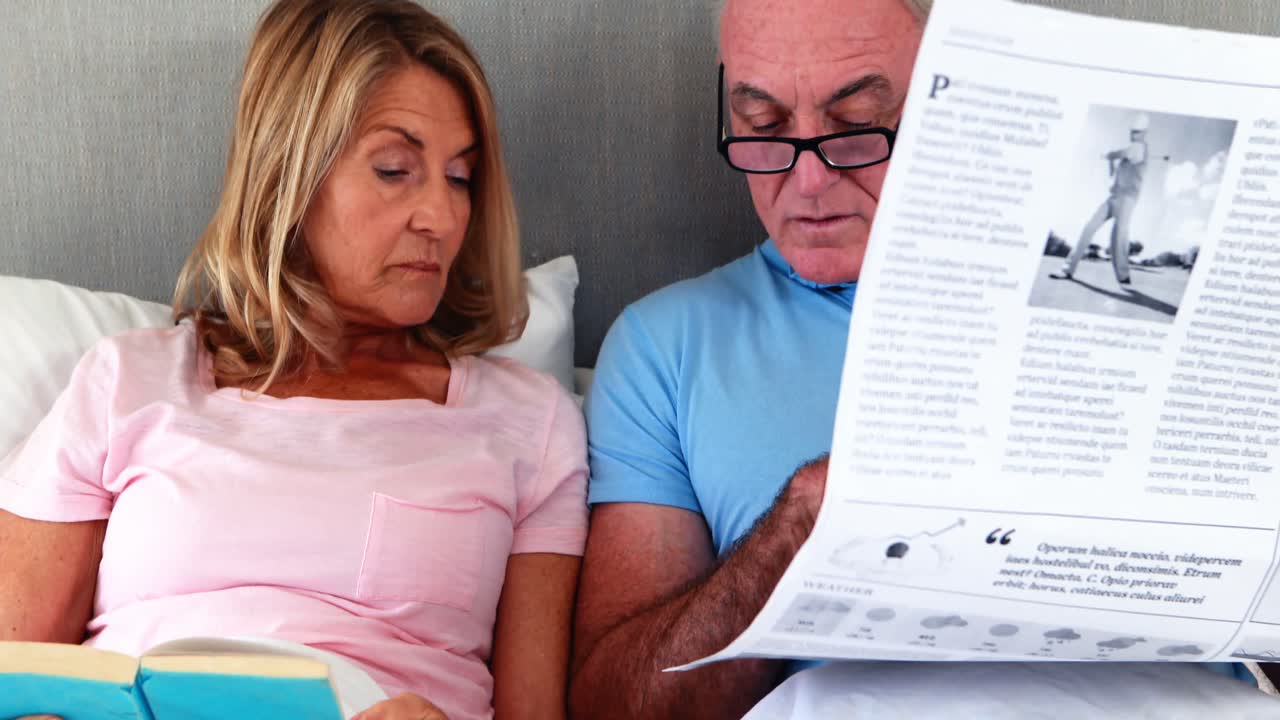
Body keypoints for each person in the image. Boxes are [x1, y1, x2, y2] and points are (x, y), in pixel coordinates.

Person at [568, 2, 1253, 719]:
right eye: (765, 127)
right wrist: (799, 528)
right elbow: (616, 706)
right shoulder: (667, 346)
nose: (808, 182)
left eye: (857, 122)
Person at [0, 2, 586, 719]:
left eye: (460, 177)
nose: (440, 215)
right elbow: (16, 676)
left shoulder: (529, 423)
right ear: (289, 176)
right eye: (395, 169)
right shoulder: (127, 382)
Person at [1049, 112, 1150, 285]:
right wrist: (1110, 162)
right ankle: (1067, 270)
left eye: (1137, 132)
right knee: (1089, 227)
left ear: (1143, 133)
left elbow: (1121, 152)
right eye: (1132, 131)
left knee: (1119, 236)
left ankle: (1123, 276)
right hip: (1113, 197)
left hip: (1128, 200)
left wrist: (1110, 155)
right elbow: (1112, 180)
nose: (1134, 134)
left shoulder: (1140, 148)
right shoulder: (1126, 156)